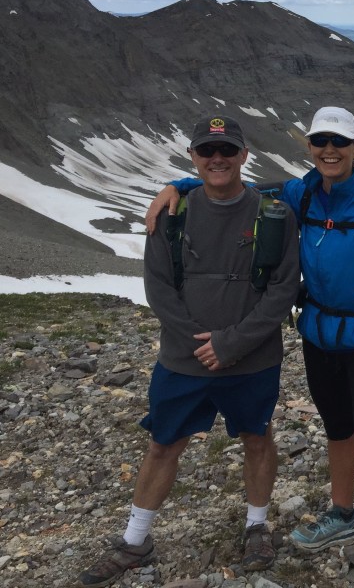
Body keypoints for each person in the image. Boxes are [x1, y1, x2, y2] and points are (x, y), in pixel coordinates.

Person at [145, 106, 354, 588]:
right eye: (320, 141)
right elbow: (236, 186)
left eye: (339, 142)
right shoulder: (302, 192)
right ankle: (341, 513)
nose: (329, 150)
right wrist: (179, 185)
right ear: (309, 147)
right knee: (337, 431)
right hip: (319, 338)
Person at [78, 115, 301, 587]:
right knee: (163, 445)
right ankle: (136, 539)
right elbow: (158, 288)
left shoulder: (275, 215)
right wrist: (203, 345)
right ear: (193, 158)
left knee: (257, 439)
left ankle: (256, 526)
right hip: (185, 360)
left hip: (251, 359)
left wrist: (232, 343)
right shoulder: (171, 215)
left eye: (227, 151)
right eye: (207, 151)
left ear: (243, 155)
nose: (217, 159)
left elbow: (283, 289)